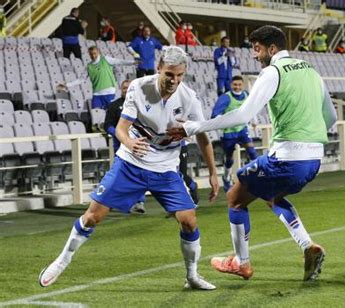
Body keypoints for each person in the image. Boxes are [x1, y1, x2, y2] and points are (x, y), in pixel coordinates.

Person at [38, 46, 219, 291]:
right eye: (169, 75)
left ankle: (192, 276)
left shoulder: (189, 99)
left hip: (165, 169)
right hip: (130, 164)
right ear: (159, 69)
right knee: (93, 217)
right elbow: (122, 128)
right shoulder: (139, 87)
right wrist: (129, 142)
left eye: (179, 76)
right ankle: (62, 260)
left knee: (189, 221)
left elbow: (203, 138)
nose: (174, 81)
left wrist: (213, 172)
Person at [168, 25, 337, 282]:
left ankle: (241, 262)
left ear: (272, 49)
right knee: (270, 194)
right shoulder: (311, 70)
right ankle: (307, 246)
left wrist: (193, 126)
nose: (255, 56)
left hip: (287, 157)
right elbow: (331, 117)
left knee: (235, 196)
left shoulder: (272, 72)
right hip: (314, 159)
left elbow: (243, 116)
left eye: (257, 49)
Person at [104, 79, 146, 214]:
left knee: (139, 174)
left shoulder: (141, 104)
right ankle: (108, 201)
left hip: (137, 146)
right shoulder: (114, 105)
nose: (126, 91)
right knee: (117, 174)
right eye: (124, 88)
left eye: (128, 88)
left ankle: (139, 203)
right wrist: (118, 134)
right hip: (121, 147)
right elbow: (108, 125)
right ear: (120, 90)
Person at [211, 75, 258, 192]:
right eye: (235, 85)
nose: (237, 87)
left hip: (242, 130)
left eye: (239, 85)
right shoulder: (225, 98)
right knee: (229, 158)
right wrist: (226, 121)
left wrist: (254, 120)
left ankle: (256, 178)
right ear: (231, 85)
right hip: (229, 132)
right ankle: (226, 177)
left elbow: (251, 108)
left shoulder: (247, 95)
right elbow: (215, 114)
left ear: (243, 85)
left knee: (252, 152)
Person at [58, 46, 136, 110]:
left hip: (109, 92)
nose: (93, 56)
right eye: (91, 54)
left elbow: (119, 61)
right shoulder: (89, 66)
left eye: (95, 53)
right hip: (97, 93)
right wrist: (67, 85)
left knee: (110, 113)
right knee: (96, 112)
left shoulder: (105, 60)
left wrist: (132, 62)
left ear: (98, 52)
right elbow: (81, 79)